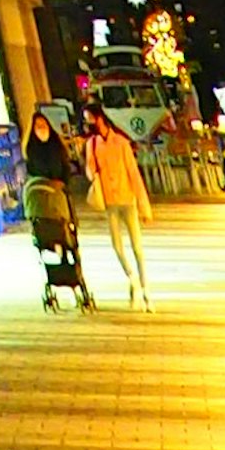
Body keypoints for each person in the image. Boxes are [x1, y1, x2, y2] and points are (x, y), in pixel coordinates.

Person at [82, 102, 155, 301]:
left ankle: (145, 285)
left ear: (100, 118)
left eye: (91, 119)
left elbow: (134, 173)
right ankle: (131, 276)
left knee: (137, 246)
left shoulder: (121, 142)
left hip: (127, 198)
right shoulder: (92, 144)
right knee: (116, 245)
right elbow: (90, 170)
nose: (88, 124)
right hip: (109, 200)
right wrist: (92, 172)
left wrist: (144, 206)